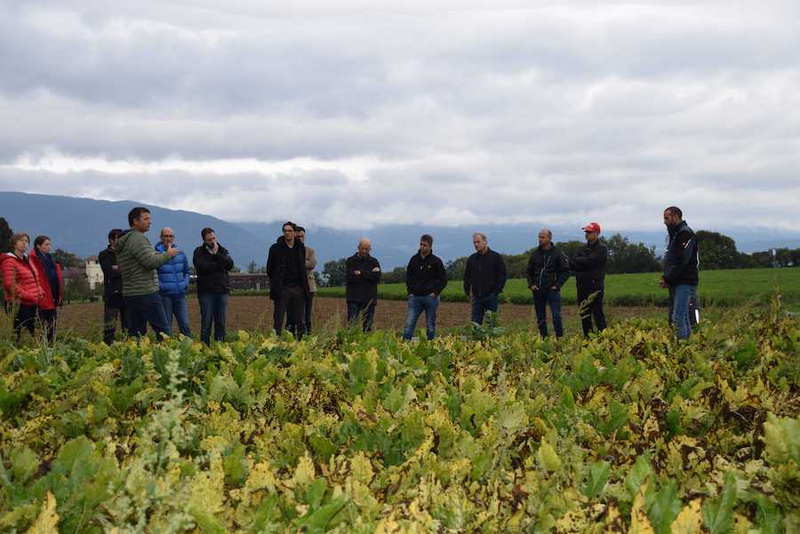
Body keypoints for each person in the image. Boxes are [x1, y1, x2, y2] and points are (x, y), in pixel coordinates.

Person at [115, 207, 180, 339]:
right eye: (146, 219)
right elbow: (150, 262)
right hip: (145, 292)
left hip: (130, 292)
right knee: (163, 331)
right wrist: (169, 254)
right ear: (135, 221)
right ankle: (166, 358)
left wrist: (157, 254)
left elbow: (142, 258)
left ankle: (136, 358)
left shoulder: (126, 241)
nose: (149, 222)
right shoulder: (138, 239)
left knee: (137, 333)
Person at [660, 206, 700, 340]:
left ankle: (682, 347)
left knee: (678, 317)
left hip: (685, 281)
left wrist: (667, 278)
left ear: (676, 216)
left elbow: (681, 260)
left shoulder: (684, 233)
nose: (664, 222)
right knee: (682, 316)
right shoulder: (675, 234)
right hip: (677, 281)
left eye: (667, 218)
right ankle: (687, 345)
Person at [267, 222, 310, 339]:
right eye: (285, 231)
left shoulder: (300, 247)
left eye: (290, 231)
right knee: (278, 318)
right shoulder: (275, 248)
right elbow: (269, 269)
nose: (287, 233)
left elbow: (302, 267)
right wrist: (277, 283)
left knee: (300, 319)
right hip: (282, 288)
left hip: (298, 288)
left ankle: (300, 342)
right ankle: (276, 342)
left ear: (295, 233)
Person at [193, 227, 234, 344]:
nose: (213, 241)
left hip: (222, 291)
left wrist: (217, 255)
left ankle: (220, 347)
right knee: (206, 322)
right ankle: (204, 348)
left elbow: (230, 264)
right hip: (206, 292)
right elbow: (202, 268)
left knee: (221, 322)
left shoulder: (222, 250)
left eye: (214, 238)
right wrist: (218, 263)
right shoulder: (198, 252)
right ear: (204, 240)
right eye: (209, 240)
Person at [526, 229, 570, 339]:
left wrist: (557, 285)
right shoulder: (535, 253)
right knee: (540, 317)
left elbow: (565, 271)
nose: (540, 239)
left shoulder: (557, 253)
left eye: (542, 237)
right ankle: (544, 338)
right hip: (538, 290)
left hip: (552, 290)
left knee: (556, 316)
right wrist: (531, 285)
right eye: (539, 237)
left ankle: (559, 338)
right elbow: (529, 271)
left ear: (549, 238)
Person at [403, 234, 447, 340]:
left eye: (425, 245)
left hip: (430, 298)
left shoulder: (436, 261)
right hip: (415, 298)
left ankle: (430, 346)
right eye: (421, 244)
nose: (422, 247)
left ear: (430, 246)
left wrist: (435, 292)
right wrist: (410, 292)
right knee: (409, 324)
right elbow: (409, 277)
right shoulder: (413, 260)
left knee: (430, 325)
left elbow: (443, 279)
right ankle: (404, 346)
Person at [1, 233, 44, 341]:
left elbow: (34, 278)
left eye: (26, 241)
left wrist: (39, 290)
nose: (24, 243)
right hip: (18, 304)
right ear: (14, 244)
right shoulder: (9, 261)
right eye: (21, 241)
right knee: (19, 336)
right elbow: (9, 284)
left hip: (31, 303)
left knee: (33, 334)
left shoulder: (27, 260)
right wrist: (28, 295)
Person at [570, 222, 608, 337]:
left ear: (597, 233)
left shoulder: (602, 249)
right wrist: (584, 262)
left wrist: (581, 262)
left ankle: (605, 338)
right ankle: (588, 338)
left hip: (595, 286)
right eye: (586, 231)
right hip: (581, 285)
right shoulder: (582, 248)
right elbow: (572, 263)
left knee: (597, 314)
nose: (586, 234)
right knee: (584, 314)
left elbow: (591, 262)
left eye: (589, 232)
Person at [463, 232, 507, 325]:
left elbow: (502, 275)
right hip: (477, 298)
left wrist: (496, 291)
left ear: (485, 242)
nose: (476, 244)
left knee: (492, 324)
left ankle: (491, 340)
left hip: (490, 297)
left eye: (478, 242)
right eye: (474, 242)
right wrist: (468, 291)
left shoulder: (495, 257)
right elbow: (467, 277)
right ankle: (476, 340)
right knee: (475, 324)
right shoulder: (472, 259)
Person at [156, 227, 191, 337]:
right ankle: (166, 351)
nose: (168, 238)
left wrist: (185, 283)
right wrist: (162, 287)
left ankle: (188, 350)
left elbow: (187, 271)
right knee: (166, 327)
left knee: (185, 325)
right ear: (161, 237)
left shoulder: (181, 254)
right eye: (166, 236)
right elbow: (153, 274)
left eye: (171, 236)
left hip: (180, 295)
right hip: (164, 296)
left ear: (174, 238)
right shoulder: (156, 255)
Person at [29, 235, 64, 342]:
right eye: (46, 244)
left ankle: (50, 349)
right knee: (41, 327)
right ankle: (41, 351)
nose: (49, 247)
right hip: (41, 297)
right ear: (38, 246)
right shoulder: (33, 260)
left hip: (52, 297)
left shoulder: (50, 259)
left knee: (52, 326)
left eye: (50, 244)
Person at [345, 238, 382, 332]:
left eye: (367, 249)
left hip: (369, 299)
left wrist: (360, 273)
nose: (364, 251)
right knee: (351, 326)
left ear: (370, 249)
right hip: (353, 298)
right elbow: (350, 277)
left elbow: (377, 277)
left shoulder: (374, 261)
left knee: (367, 328)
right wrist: (369, 274)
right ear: (358, 247)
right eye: (362, 248)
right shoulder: (350, 261)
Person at [286, 226, 316, 335]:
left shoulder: (310, 250)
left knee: (307, 314)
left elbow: (312, 264)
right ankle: (294, 334)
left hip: (309, 286)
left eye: (302, 236)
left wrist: (297, 262)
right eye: (298, 236)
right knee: (295, 314)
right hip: (294, 287)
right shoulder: (288, 250)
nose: (300, 238)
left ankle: (308, 334)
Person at [98, 229, 127, 343]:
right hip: (112, 294)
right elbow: (109, 272)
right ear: (111, 240)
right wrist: (124, 269)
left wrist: (117, 267)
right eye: (118, 238)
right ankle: (108, 347)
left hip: (127, 292)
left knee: (128, 325)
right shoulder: (104, 254)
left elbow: (132, 270)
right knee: (110, 325)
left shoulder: (126, 253)